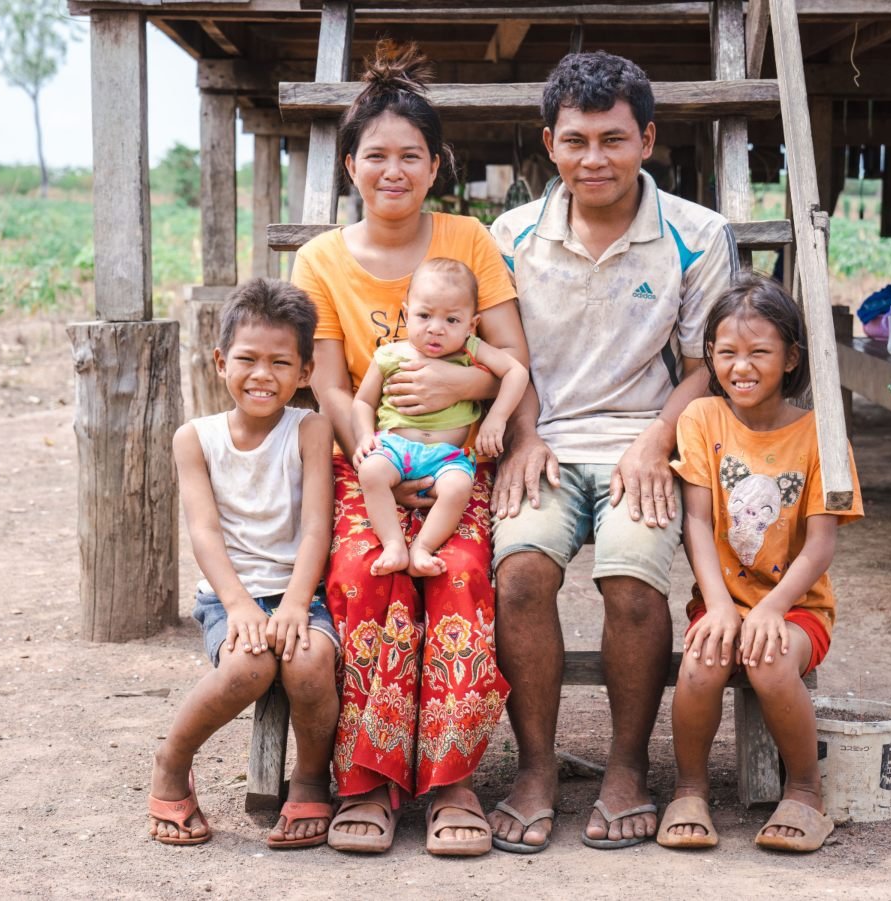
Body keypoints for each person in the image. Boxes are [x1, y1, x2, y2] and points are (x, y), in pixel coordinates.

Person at [487, 51, 739, 852]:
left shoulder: (698, 237)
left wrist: (656, 439)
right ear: (548, 144)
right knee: (521, 574)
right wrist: (523, 435)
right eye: (575, 140)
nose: (594, 158)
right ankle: (534, 767)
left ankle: (628, 767)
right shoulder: (512, 235)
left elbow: (709, 364)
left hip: (647, 439)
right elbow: (508, 355)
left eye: (613, 139)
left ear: (648, 139)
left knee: (632, 581)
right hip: (546, 442)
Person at [291, 40, 529, 856]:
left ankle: (453, 777)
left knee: (458, 574)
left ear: (437, 165)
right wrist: (374, 459)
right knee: (366, 573)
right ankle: (368, 778)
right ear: (350, 165)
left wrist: (460, 393)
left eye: (412, 156)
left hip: (460, 461)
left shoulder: (468, 239)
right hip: (371, 462)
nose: (394, 170)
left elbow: (508, 358)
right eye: (377, 155)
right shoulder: (319, 259)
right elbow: (329, 385)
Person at [658, 273, 862, 853]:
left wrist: (772, 608)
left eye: (759, 353)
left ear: (791, 356)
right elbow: (696, 521)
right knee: (700, 662)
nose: (740, 366)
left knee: (771, 663)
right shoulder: (701, 419)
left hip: (797, 608)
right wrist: (719, 604)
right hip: (722, 600)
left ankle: (805, 793)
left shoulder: (821, 433)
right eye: (726, 353)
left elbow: (821, 543)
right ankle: (689, 789)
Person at [146, 279, 339, 849]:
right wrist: (237, 606)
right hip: (228, 595)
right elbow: (204, 532)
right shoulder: (195, 438)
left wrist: (299, 603)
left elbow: (315, 528)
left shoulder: (310, 429)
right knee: (249, 665)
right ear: (219, 361)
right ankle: (171, 762)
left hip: (301, 591)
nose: (263, 375)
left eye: (281, 362)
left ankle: (308, 779)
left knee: (307, 663)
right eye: (248, 359)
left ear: (304, 371)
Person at [352, 258, 529, 579]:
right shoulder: (391, 355)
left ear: (471, 325)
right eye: (424, 315)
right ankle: (393, 544)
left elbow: (516, 371)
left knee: (459, 486)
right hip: (395, 448)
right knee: (371, 471)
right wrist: (365, 435)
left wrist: (497, 418)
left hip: (447, 458)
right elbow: (363, 401)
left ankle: (422, 547)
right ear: (406, 313)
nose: (436, 328)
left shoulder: (471, 350)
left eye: (451, 319)